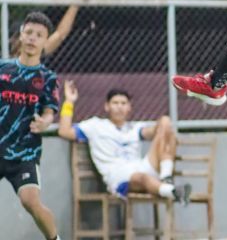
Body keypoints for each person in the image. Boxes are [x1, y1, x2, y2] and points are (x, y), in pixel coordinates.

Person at [57, 81, 191, 205]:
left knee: (166, 121)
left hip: (142, 167)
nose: (119, 107)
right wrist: (69, 101)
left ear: (129, 108)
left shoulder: (135, 128)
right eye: (115, 103)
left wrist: (167, 131)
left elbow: (159, 129)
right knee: (142, 178)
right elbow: (64, 131)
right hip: (119, 177)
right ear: (106, 106)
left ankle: (167, 178)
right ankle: (173, 192)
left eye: (123, 103)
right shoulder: (95, 126)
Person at [0, 12, 62, 240]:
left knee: (30, 200)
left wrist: (45, 122)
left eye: (39, 35)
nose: (32, 38)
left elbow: (49, 112)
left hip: (25, 151)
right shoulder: (3, 69)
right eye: (29, 33)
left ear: (46, 41)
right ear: (20, 36)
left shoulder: (48, 78)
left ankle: (55, 238)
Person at [10, 0, 91, 57]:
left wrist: (75, 3)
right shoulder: (5, 62)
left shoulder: (37, 52)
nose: (30, 39)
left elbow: (60, 34)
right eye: (26, 34)